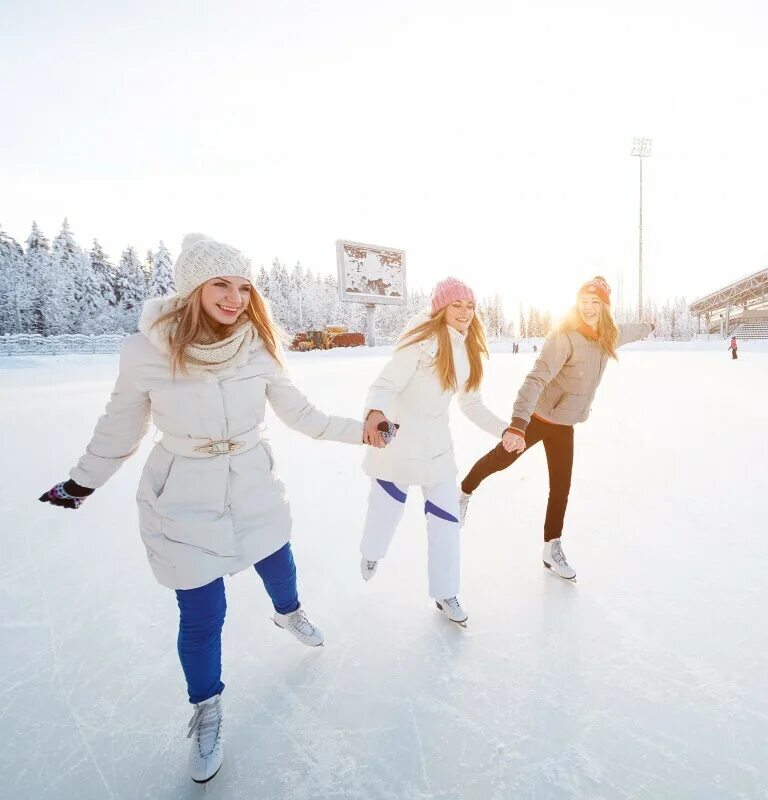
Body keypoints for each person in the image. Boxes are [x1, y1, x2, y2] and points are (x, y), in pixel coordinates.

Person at [37, 234, 375, 784]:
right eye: (221, 283)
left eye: (244, 287)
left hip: (250, 482)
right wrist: (81, 483)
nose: (235, 298)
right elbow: (120, 426)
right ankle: (206, 708)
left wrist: (363, 433)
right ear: (192, 288)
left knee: (279, 564)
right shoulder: (147, 350)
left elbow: (303, 415)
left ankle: (288, 613)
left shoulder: (257, 345)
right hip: (183, 492)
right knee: (201, 614)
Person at [458, 276, 653, 581]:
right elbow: (535, 379)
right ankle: (464, 491)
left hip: (565, 425)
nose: (588, 308)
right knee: (501, 459)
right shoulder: (565, 336)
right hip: (538, 418)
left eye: (595, 302)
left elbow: (631, 331)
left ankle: (551, 548)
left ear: (605, 307)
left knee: (560, 488)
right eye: (584, 301)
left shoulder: (608, 335)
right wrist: (518, 426)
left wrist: (649, 326)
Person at [358, 278, 511, 627]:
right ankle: (371, 553)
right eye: (457, 305)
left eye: (470, 306)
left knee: (445, 522)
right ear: (440, 308)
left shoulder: (468, 349)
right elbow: (384, 384)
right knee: (384, 513)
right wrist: (374, 413)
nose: (465, 312)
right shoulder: (418, 341)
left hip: (438, 448)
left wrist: (504, 430)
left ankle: (445, 591)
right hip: (398, 445)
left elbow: (471, 404)